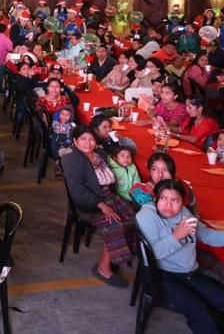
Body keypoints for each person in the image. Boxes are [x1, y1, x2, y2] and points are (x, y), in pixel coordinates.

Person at [135, 179, 224, 334]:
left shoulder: (184, 213)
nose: (168, 205)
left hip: (188, 272)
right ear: (155, 198)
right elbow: (149, 254)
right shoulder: (147, 215)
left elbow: (206, 235)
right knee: (199, 312)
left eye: (175, 200)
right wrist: (176, 236)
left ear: (182, 202)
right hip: (160, 274)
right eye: (163, 198)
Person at [61, 125, 136, 287]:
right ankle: (103, 268)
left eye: (91, 139)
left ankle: (119, 253)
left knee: (135, 217)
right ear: (75, 141)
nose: (88, 143)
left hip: (110, 196)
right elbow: (78, 192)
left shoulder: (100, 153)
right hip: (89, 205)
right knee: (115, 224)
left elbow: (121, 149)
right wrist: (102, 205)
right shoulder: (73, 160)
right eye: (83, 139)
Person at [106, 138, 141, 204]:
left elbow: (136, 180)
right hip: (119, 196)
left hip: (132, 193)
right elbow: (112, 188)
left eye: (129, 156)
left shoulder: (132, 167)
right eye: (122, 155)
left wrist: (136, 191)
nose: (126, 158)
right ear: (115, 158)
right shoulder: (112, 169)